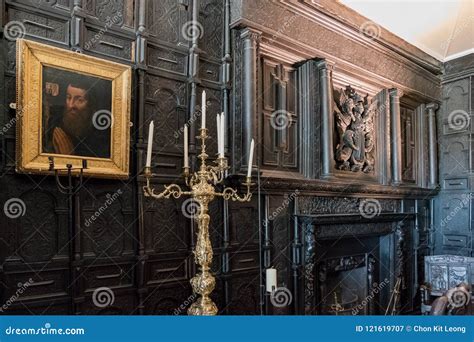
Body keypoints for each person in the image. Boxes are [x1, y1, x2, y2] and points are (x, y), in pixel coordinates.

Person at [42, 76, 111, 158]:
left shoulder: (101, 137)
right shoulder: (53, 124)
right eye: (68, 97)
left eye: (79, 100)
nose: (71, 105)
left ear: (91, 105)